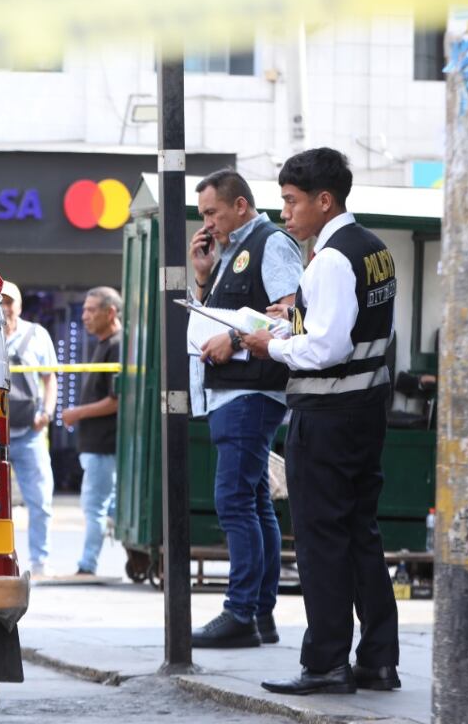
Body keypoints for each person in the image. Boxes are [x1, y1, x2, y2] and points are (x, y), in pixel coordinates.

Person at [241, 148, 401, 695]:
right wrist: (294, 322)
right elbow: (358, 331)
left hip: (328, 414)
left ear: (324, 200)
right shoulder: (374, 249)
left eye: (292, 201)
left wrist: (271, 345)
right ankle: (378, 659)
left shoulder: (331, 259)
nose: (285, 213)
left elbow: (329, 347)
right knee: (359, 534)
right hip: (365, 411)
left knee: (321, 540)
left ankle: (327, 662)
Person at [187, 169, 303, 649]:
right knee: (254, 502)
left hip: (251, 392)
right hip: (233, 392)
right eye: (203, 215)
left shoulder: (270, 243)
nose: (207, 223)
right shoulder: (230, 252)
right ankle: (259, 613)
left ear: (240, 205)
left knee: (234, 500)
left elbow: (293, 316)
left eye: (212, 212)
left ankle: (240, 612)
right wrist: (203, 278)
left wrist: (234, 340)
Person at [62, 287, 122, 576]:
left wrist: (77, 413)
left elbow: (116, 400)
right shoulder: (104, 344)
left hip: (104, 445)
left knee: (95, 506)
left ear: (110, 313)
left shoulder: (117, 345)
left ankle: (87, 565)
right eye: (84, 309)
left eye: (91, 310)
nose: (84, 316)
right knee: (109, 506)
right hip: (95, 445)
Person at [0, 281, 58, 577]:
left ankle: (39, 562)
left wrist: (46, 412)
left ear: (19, 306)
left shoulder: (37, 335)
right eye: (0, 301)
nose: (4, 308)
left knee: (40, 501)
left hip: (30, 434)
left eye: (9, 302)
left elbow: (50, 379)